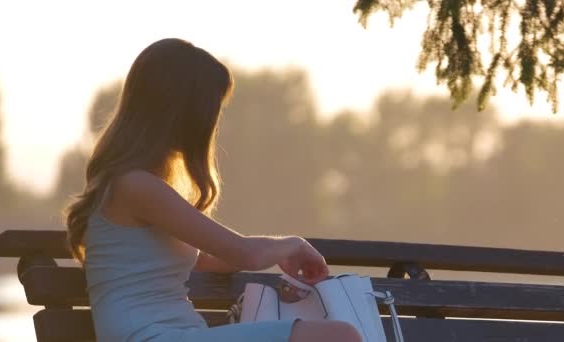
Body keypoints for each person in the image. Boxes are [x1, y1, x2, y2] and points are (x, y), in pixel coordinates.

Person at [64, 38, 362, 342]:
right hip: (151, 337)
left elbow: (210, 258)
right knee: (341, 337)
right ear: (182, 112)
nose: (211, 122)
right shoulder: (135, 186)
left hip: (176, 334)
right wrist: (293, 245)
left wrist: (272, 254)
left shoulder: (135, 186)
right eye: (209, 110)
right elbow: (243, 253)